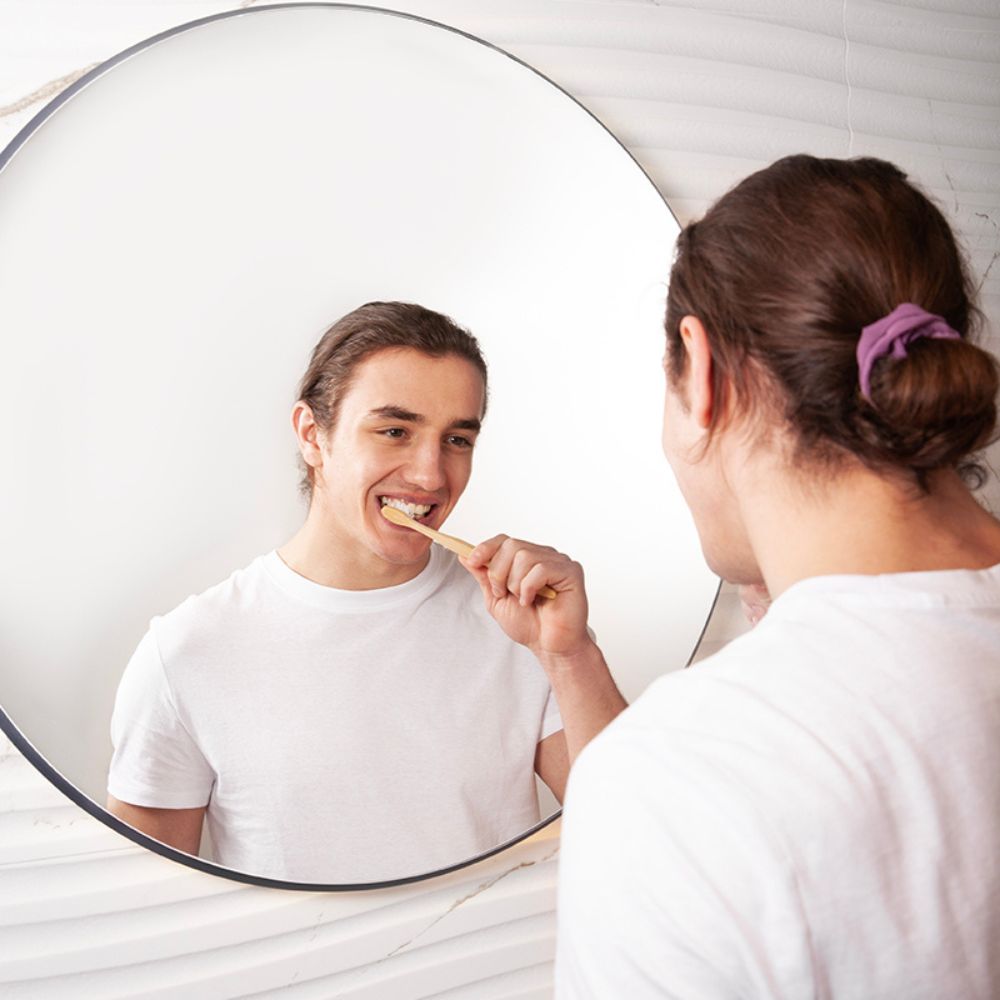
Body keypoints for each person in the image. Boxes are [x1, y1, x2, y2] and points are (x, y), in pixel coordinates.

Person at [464, 156, 1000, 997]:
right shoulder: (691, 767)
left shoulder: (684, 775)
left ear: (701, 370)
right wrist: (574, 660)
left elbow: (690, 806)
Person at [107, 302, 587, 884]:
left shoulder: (522, 623)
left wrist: (571, 654)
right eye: (394, 431)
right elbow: (149, 915)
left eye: (457, 439)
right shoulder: (186, 652)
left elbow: (638, 840)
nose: (432, 475)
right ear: (313, 435)